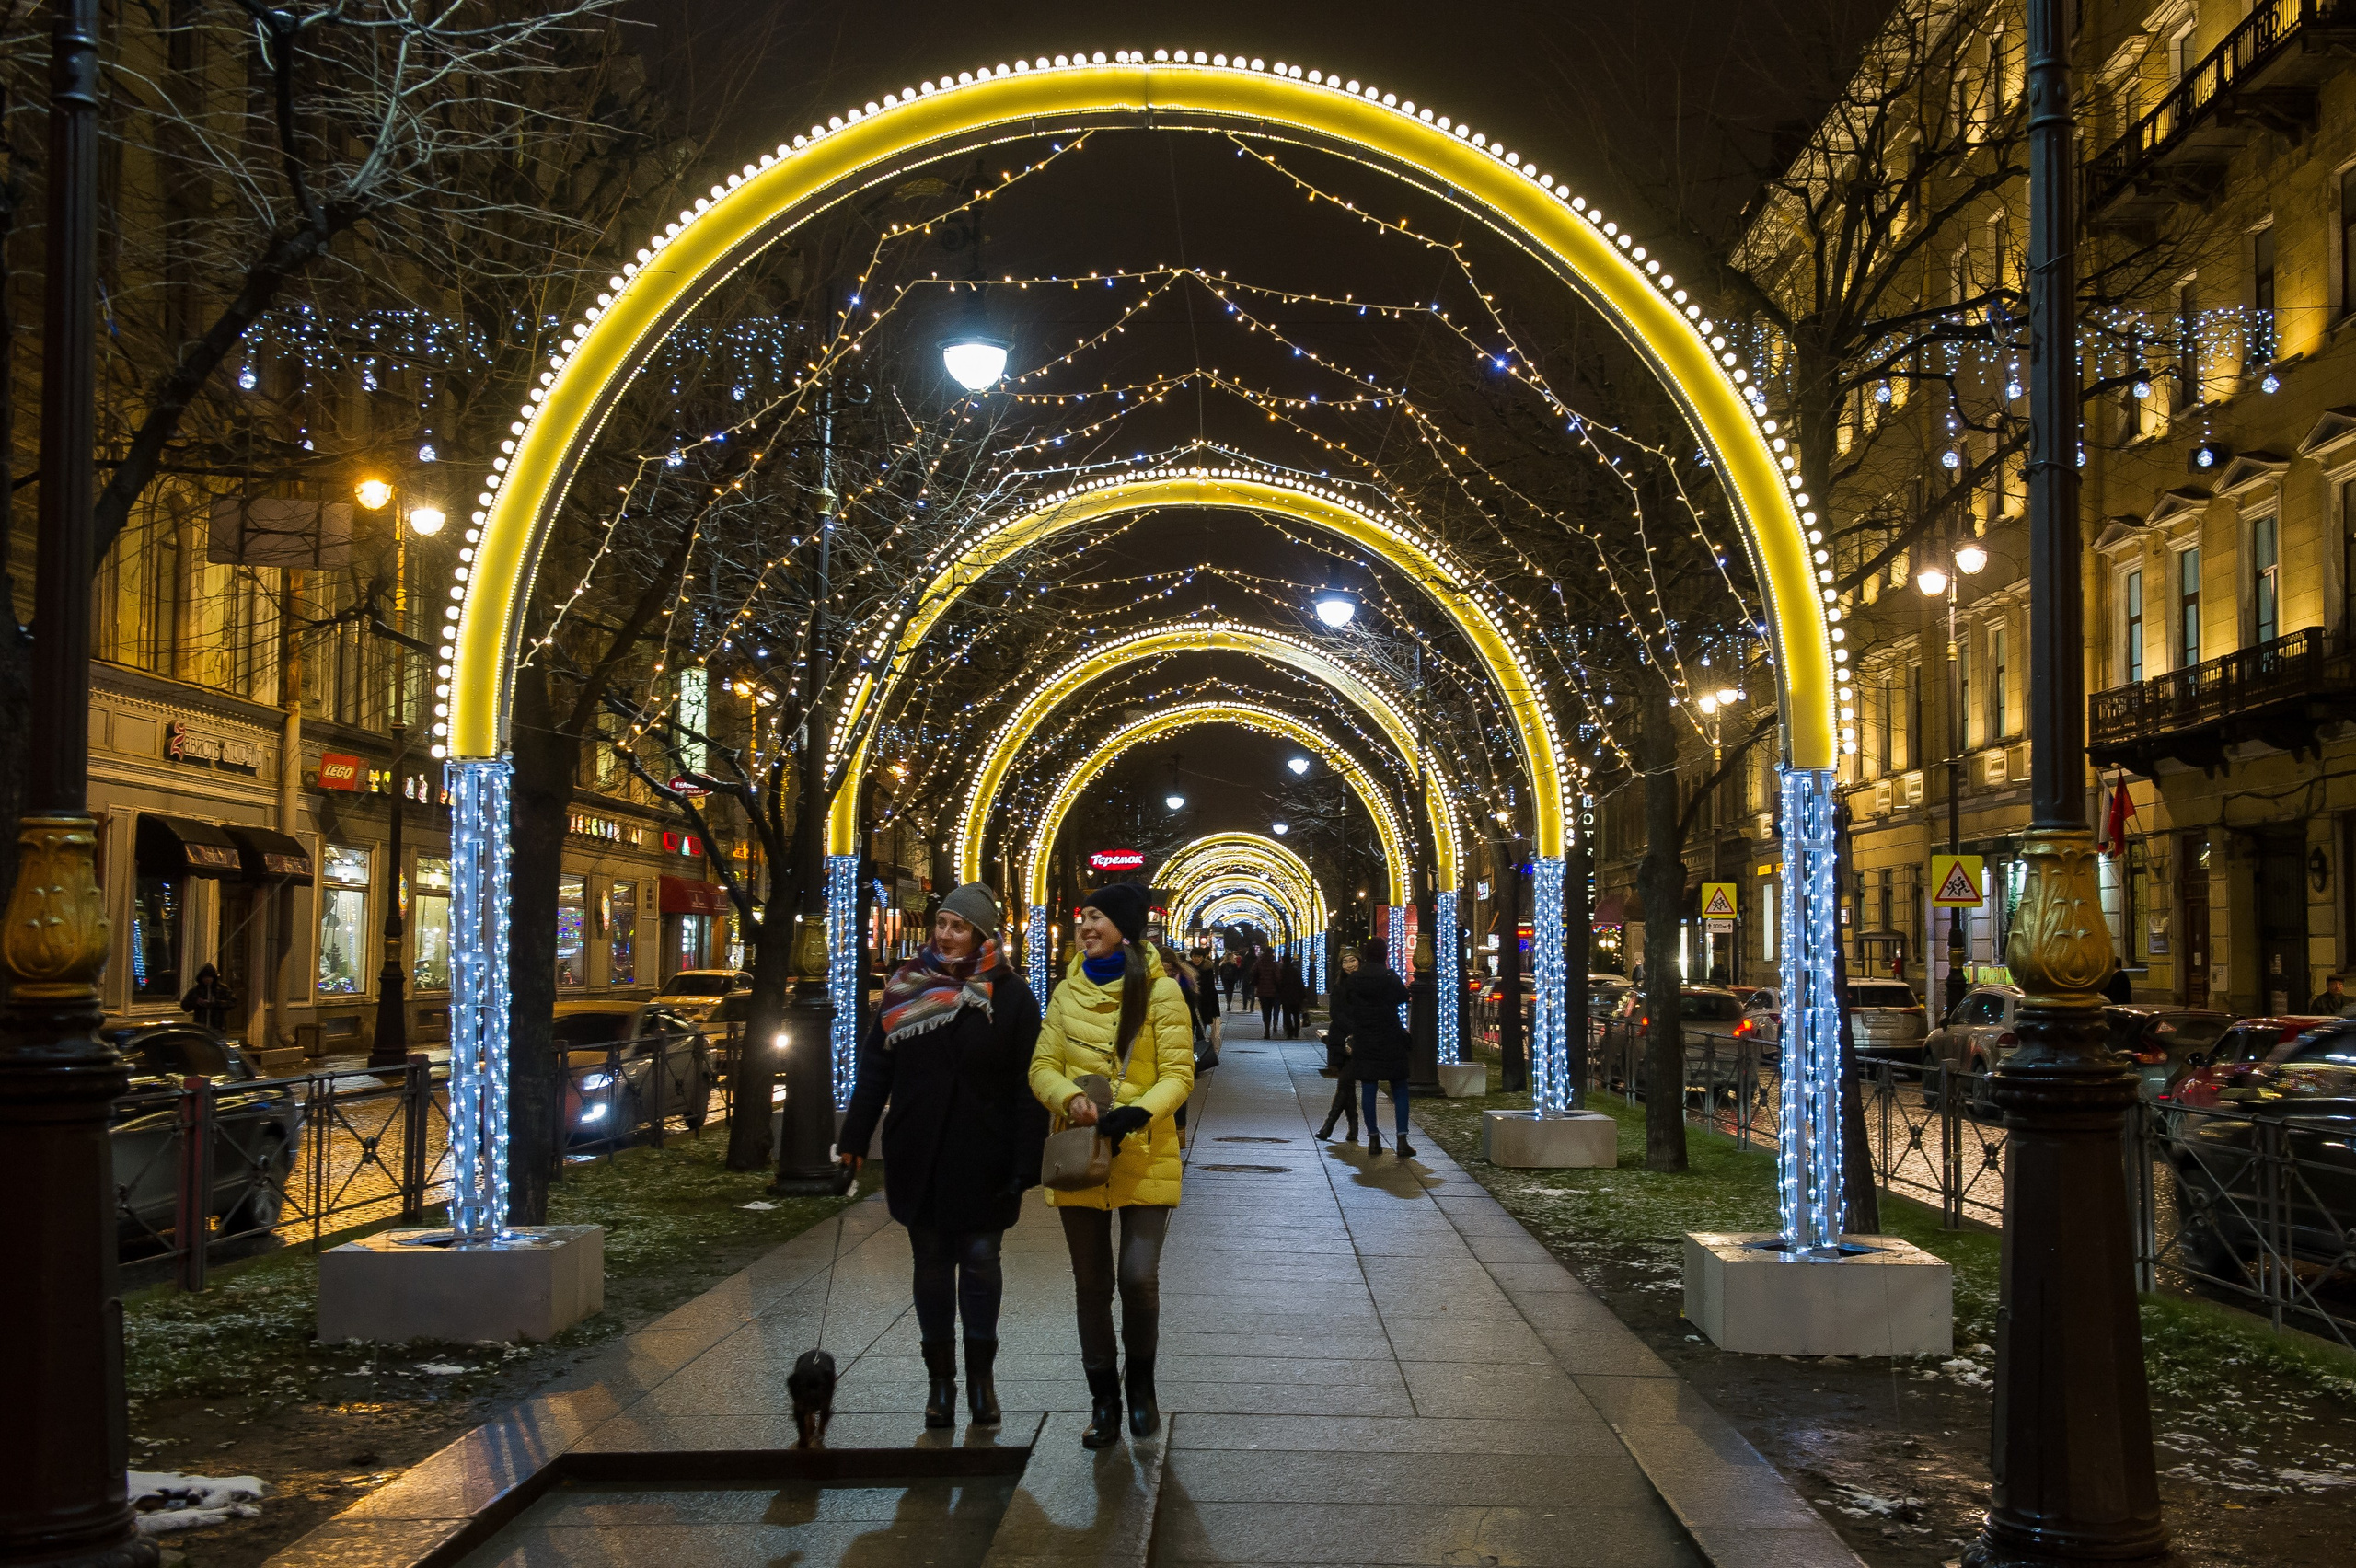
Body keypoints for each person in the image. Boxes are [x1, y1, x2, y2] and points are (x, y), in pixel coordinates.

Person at [837, 884, 1045, 1430]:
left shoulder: (1011, 996)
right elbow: (876, 1071)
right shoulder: (905, 986)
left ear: (981, 935)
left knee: (980, 1261)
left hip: (985, 1154)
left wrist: (1026, 1160)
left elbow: (1028, 1085)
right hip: (920, 1150)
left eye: (959, 927)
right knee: (930, 1263)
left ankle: (981, 1382)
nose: (946, 935)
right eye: (942, 924)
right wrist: (855, 1139)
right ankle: (940, 1384)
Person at [1031, 882, 1195, 1448]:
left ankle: (1141, 1387)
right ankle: (1103, 1400)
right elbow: (1042, 1066)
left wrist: (1139, 1111)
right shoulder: (1065, 992)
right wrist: (1068, 1098)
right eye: (1083, 917)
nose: (1086, 926)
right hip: (1081, 1152)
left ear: (1124, 927)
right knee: (1092, 1283)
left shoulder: (1161, 992)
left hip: (1145, 1152)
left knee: (1138, 1278)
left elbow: (1179, 1073)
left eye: (1097, 917)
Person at [1336, 938, 1415, 1159]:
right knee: (1400, 1088)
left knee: (1369, 1088)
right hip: (1390, 1037)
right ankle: (1402, 1140)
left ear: (1365, 955)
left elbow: (1348, 1002)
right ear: (1384, 955)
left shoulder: (1356, 979)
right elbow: (1403, 997)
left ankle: (1373, 1139)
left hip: (1365, 1039)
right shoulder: (1390, 977)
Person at [1314, 949, 1361, 1137]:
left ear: (1360, 961)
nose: (1349, 965)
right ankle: (1353, 1127)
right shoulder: (1339, 984)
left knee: (1345, 1083)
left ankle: (1329, 1125)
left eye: (1353, 960)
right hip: (1341, 1040)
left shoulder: (1365, 983)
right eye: (1345, 962)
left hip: (1358, 1040)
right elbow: (1335, 1012)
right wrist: (1351, 1029)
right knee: (1347, 1084)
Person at [179, 963, 237, 1034]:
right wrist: (196, 1002)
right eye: (204, 978)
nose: (207, 980)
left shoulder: (223, 989)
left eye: (209, 977)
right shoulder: (196, 990)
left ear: (214, 977)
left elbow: (232, 1003)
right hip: (200, 1025)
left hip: (218, 1025)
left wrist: (216, 1003)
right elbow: (184, 1005)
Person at [1253, 946, 1281, 1036]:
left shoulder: (1259, 963)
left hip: (1262, 990)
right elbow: (1278, 978)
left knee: (1265, 1010)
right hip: (1273, 991)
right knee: (1274, 1008)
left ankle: (1267, 1029)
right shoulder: (1274, 965)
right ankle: (1275, 1022)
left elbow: (1253, 972)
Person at [1276, 954, 1307, 1038]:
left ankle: (1290, 1030)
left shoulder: (1281, 971)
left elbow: (1279, 983)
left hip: (1285, 995)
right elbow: (1300, 983)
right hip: (1296, 995)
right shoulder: (1296, 970)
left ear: (1283, 960)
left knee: (1287, 1014)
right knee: (1296, 1014)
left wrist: (1279, 993)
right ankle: (1296, 1030)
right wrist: (1303, 994)